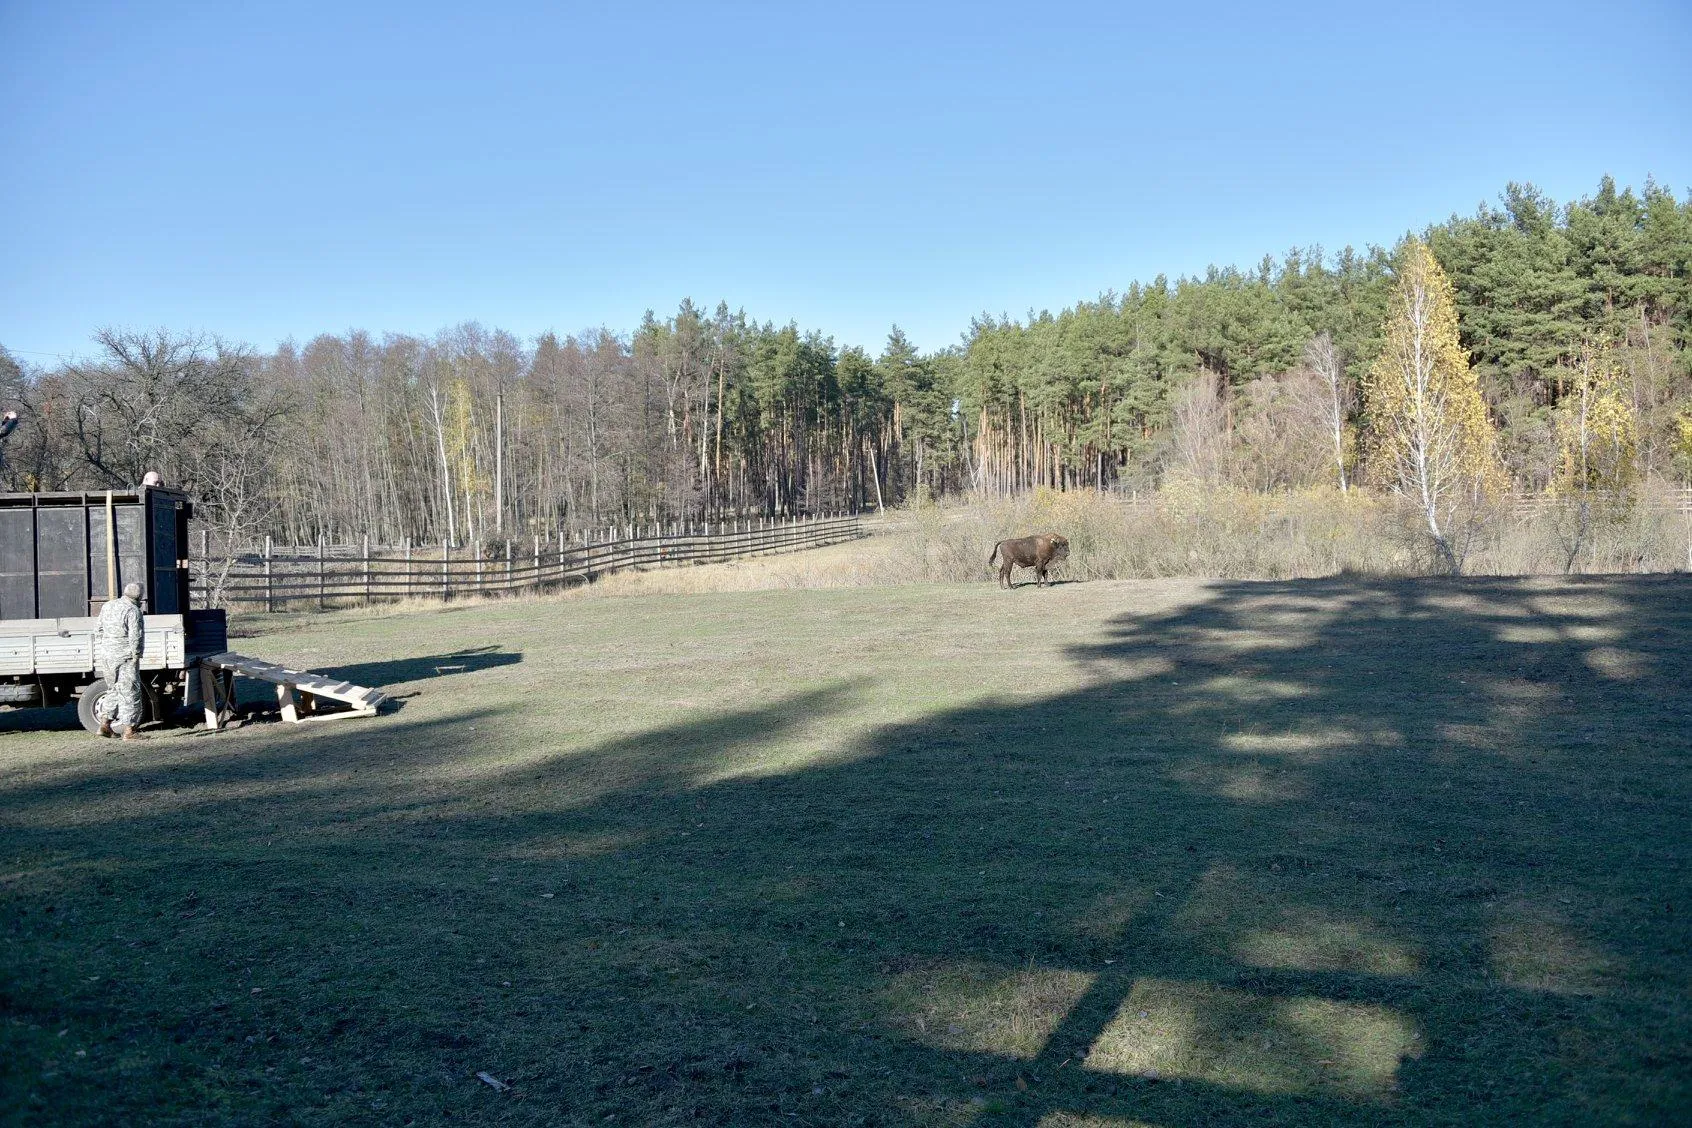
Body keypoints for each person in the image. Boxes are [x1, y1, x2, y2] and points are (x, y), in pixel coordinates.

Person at [94, 582, 147, 741]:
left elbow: (98, 630)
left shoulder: (108, 606)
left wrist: (106, 646)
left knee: (113, 689)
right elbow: (135, 636)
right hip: (125, 656)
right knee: (130, 691)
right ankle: (130, 731)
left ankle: (104, 725)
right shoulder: (133, 610)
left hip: (107, 655)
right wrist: (136, 654)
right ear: (139, 596)